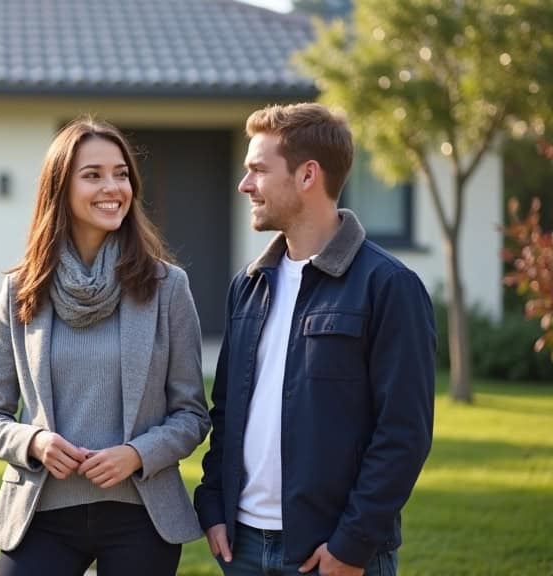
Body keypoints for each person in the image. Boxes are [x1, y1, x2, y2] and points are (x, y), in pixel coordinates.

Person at [193, 103, 435, 576]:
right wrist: (213, 504)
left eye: (258, 171)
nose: (245, 185)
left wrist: (352, 544)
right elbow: (227, 408)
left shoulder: (388, 286)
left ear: (308, 175)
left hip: (329, 555)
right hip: (241, 549)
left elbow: (404, 434)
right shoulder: (250, 284)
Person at [0, 116, 211, 576]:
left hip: (142, 515)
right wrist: (34, 441)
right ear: (60, 188)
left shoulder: (168, 287)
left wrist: (138, 454)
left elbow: (192, 414)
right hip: (40, 514)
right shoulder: (21, 289)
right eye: (93, 175)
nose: (113, 187)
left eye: (121, 173)